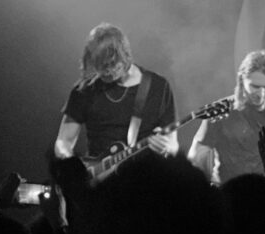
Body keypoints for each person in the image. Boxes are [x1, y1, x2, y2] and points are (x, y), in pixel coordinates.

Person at [54, 23, 177, 164]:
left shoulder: (158, 87)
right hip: (99, 181)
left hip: (144, 179)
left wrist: (166, 147)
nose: (105, 71)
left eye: (110, 64)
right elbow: (63, 142)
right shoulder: (85, 90)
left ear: (124, 55)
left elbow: (173, 145)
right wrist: (74, 167)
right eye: (99, 66)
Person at [188, 50, 265, 184]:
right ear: (242, 80)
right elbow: (197, 158)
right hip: (228, 195)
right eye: (255, 86)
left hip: (263, 193)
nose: (261, 94)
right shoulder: (220, 111)